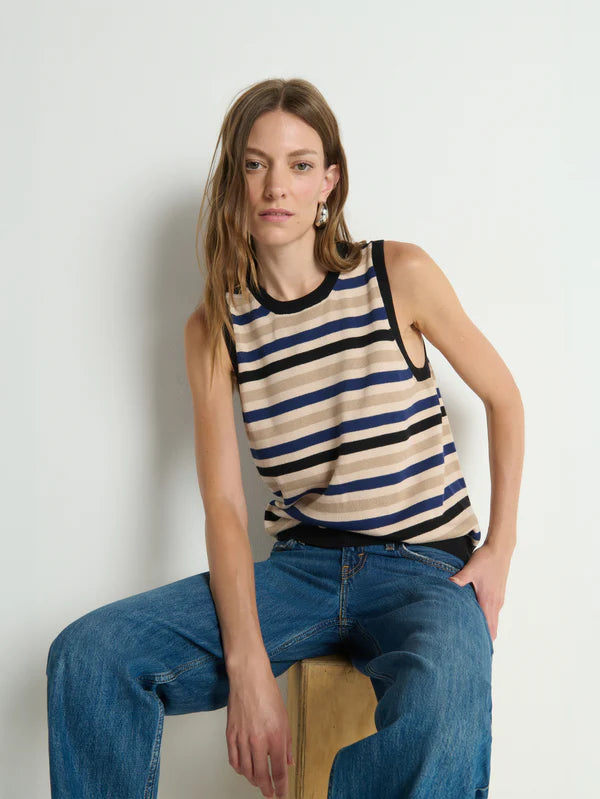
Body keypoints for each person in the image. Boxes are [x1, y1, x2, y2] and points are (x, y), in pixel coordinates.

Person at [45, 78, 523, 799]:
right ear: (234, 180)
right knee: (91, 656)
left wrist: (500, 549)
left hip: (425, 571)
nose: (277, 186)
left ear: (329, 182)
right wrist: (247, 668)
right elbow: (226, 509)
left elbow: (504, 397)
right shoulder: (215, 328)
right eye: (256, 163)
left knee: (447, 697)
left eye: (301, 165)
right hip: (299, 575)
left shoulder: (399, 275)